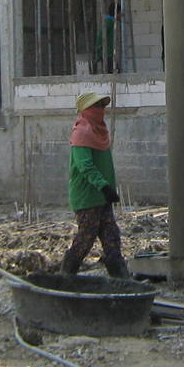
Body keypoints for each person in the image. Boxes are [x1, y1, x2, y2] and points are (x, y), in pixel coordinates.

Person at [62, 92, 130, 278]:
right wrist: (103, 186)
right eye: (97, 106)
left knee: (111, 237)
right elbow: (85, 166)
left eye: (102, 105)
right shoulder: (82, 132)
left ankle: (122, 280)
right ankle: (66, 276)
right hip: (87, 196)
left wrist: (107, 189)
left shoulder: (100, 131)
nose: (101, 110)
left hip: (102, 195)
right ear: (87, 110)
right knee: (86, 236)